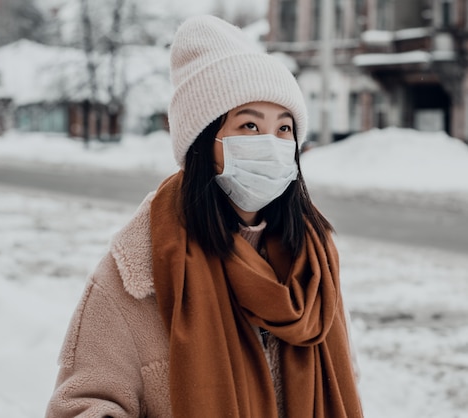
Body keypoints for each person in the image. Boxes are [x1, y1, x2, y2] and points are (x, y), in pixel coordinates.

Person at [47, 15, 363, 418]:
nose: (271, 143)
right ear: (203, 140)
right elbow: (81, 406)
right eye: (249, 124)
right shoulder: (137, 272)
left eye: (285, 129)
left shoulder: (313, 267)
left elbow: (347, 381)